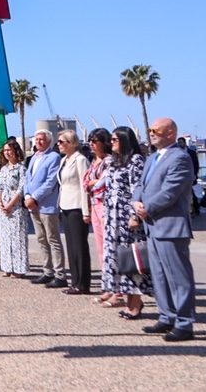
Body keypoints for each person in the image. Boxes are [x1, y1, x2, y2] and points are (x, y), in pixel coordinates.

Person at [133, 117, 197, 342]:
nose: (152, 133)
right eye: (150, 130)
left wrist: (147, 208)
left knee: (178, 276)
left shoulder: (180, 158)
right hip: (152, 226)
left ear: (170, 133)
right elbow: (140, 185)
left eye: (156, 130)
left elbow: (171, 191)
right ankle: (167, 316)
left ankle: (184, 323)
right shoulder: (152, 158)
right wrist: (136, 203)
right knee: (159, 276)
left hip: (170, 225)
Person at [100, 126, 151, 318]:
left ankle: (136, 302)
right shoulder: (114, 161)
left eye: (115, 140)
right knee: (119, 261)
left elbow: (137, 189)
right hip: (112, 219)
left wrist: (134, 216)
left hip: (127, 219)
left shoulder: (136, 160)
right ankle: (126, 298)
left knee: (132, 260)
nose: (111, 143)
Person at [23, 130, 65, 286]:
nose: (38, 142)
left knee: (53, 239)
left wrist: (35, 197)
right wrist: (27, 196)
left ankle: (60, 274)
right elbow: (28, 179)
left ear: (49, 141)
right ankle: (47, 271)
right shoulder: (34, 157)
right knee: (41, 239)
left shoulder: (53, 157)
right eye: (37, 139)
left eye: (42, 139)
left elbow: (51, 181)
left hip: (47, 205)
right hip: (32, 205)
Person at [56, 129, 91, 294]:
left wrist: (86, 211)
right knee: (71, 246)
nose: (59, 144)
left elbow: (85, 187)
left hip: (77, 206)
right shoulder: (64, 160)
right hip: (66, 205)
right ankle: (75, 280)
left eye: (62, 141)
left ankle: (83, 283)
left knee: (79, 246)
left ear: (71, 143)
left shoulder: (80, 160)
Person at [0, 139, 29, 278]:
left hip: (16, 208)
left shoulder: (21, 169)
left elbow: (21, 189)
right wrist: (0, 202)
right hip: (4, 208)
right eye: (5, 150)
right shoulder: (3, 169)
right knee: (5, 238)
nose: (7, 153)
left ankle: (19, 268)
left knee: (18, 238)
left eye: (10, 150)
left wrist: (10, 205)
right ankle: (7, 266)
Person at [84, 128, 112, 294]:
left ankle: (115, 288)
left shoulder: (109, 161)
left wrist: (92, 183)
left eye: (95, 141)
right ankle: (107, 286)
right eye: (90, 141)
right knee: (100, 247)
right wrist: (92, 182)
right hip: (94, 204)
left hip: (105, 204)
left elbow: (103, 184)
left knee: (109, 247)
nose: (91, 144)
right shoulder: (94, 161)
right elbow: (86, 182)